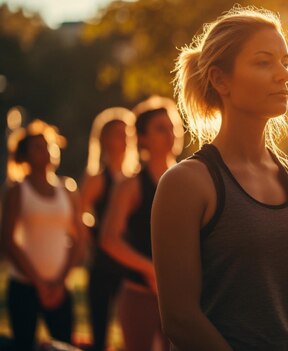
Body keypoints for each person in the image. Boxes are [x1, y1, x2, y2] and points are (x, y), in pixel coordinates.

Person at [152, 6, 288, 351]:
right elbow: (179, 317)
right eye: (264, 62)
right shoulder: (186, 184)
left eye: (285, 62)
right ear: (221, 80)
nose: (283, 75)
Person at [100, 97, 183, 351]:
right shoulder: (131, 185)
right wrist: (149, 269)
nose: (170, 134)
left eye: (173, 127)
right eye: (160, 128)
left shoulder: (189, 179)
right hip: (139, 295)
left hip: (181, 297)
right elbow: (108, 239)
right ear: (143, 138)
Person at [1, 120, 86, 351]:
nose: (45, 151)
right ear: (24, 155)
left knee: (64, 346)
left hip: (60, 288)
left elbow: (79, 239)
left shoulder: (68, 189)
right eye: (37, 147)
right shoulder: (18, 190)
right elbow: (8, 239)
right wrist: (38, 282)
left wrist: (59, 282)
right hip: (24, 286)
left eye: (47, 145)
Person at [80, 107, 137, 351]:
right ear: (103, 139)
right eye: (117, 133)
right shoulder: (98, 178)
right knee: (101, 333)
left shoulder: (134, 178)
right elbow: (77, 215)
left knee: (132, 333)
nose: (123, 138)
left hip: (129, 266)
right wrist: (92, 238)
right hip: (103, 265)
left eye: (126, 133)